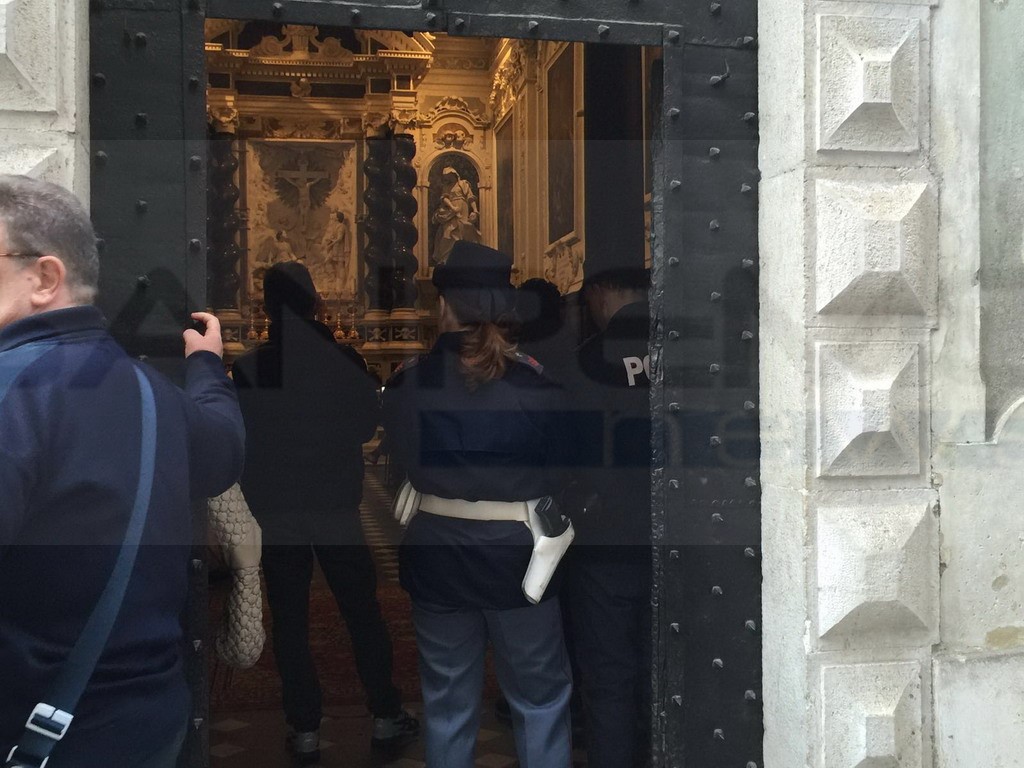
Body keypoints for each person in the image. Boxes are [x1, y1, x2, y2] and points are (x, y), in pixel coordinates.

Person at [0, 175, 245, 767]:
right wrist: (207, 366)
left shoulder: (11, 393)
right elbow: (222, 449)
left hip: (33, 734)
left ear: (45, 278)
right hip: (147, 725)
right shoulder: (149, 391)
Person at [383, 241, 576, 768]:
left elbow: (399, 458)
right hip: (520, 556)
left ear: (444, 305)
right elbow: (565, 470)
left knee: (447, 703)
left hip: (437, 553)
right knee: (539, 699)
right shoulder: (537, 386)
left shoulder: (407, 385)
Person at [231, 261, 417, 765]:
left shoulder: (249, 368)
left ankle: (304, 728)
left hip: (277, 508)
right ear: (315, 303)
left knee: (290, 621)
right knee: (362, 612)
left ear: (267, 308)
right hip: (335, 503)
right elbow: (365, 426)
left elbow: (241, 438)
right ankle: (385, 713)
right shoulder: (344, 361)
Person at [564, 265, 652, 768]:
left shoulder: (584, 361)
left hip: (606, 541)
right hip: (684, 538)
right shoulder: (688, 353)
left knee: (609, 676)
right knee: (674, 668)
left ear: (599, 294)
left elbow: (563, 454)